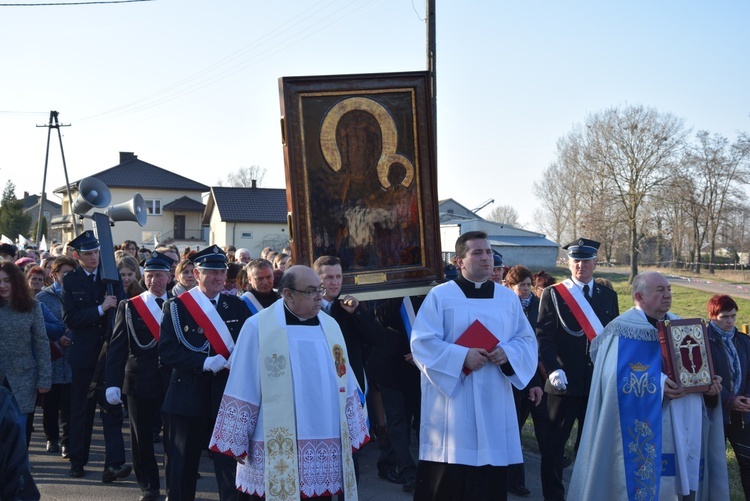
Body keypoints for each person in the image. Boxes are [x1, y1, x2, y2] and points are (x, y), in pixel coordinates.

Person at [209, 265, 369, 500]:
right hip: (275, 441)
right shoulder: (258, 327)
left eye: (320, 290)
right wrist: (238, 439)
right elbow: (244, 382)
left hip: (326, 436)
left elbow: (346, 379)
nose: (319, 296)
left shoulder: (330, 326)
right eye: (311, 291)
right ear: (288, 294)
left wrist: (354, 427)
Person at [568, 271, 728, 500]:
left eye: (669, 289)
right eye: (660, 290)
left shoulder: (683, 327)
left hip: (682, 423)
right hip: (650, 425)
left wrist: (709, 386)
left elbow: (695, 371)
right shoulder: (622, 330)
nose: (667, 295)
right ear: (639, 297)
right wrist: (660, 385)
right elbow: (612, 378)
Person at [410, 231, 538, 501]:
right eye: (477, 253)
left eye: (489, 252)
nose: (486, 258)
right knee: (449, 481)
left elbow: (526, 340)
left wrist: (507, 352)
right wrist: (461, 357)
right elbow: (422, 342)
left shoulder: (507, 299)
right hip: (453, 403)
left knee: (488, 483)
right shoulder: (440, 296)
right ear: (460, 261)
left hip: (494, 399)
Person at [158, 245, 251, 501]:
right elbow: (167, 351)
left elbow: (249, 345)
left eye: (222, 271)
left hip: (225, 396)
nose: (219, 277)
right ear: (197, 274)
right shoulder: (176, 307)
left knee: (228, 465)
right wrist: (202, 362)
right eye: (211, 272)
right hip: (186, 394)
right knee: (182, 465)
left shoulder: (237, 307)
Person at [536, 237, 619, 501]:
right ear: (568, 262)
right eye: (575, 260)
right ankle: (554, 497)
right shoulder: (554, 293)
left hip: (595, 383)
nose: (580, 265)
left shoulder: (608, 295)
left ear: (595, 263)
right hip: (562, 382)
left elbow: (611, 338)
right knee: (553, 447)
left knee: (590, 446)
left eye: (585, 260)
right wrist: (552, 369)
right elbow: (544, 336)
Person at [61, 230, 131, 482]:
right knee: (82, 410)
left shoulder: (109, 277)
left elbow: (123, 313)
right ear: (76, 255)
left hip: (110, 354)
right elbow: (70, 318)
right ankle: (78, 461)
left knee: (111, 408)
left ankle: (114, 464)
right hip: (84, 356)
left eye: (96, 252)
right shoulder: (71, 281)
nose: (94, 257)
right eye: (88, 253)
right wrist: (101, 309)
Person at [106, 251, 175, 501]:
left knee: (174, 439)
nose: (154, 280)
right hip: (139, 381)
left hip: (172, 382)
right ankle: (149, 486)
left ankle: (175, 487)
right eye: (149, 276)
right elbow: (117, 348)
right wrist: (112, 384)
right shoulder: (130, 306)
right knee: (141, 438)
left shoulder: (180, 305)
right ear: (142, 277)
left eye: (159, 275)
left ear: (169, 277)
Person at [371, 295, 424, 493]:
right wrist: (401, 290)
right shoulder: (390, 292)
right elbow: (380, 318)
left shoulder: (428, 293)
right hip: (390, 368)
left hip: (417, 369)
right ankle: (408, 473)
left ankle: (386, 464)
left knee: (408, 419)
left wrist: (423, 352)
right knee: (397, 420)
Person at [504, 265, 548, 498]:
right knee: (513, 429)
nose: (526, 289)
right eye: (521, 285)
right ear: (510, 287)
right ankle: (513, 480)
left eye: (529, 284)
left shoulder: (539, 306)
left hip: (535, 375)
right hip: (512, 375)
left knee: (542, 424)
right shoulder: (505, 307)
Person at [0, 261, 52, 443]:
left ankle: (18, 471)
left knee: (18, 432)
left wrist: (45, 378)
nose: (2, 285)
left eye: (7, 280)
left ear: (16, 281)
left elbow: (41, 343)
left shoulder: (32, 307)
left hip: (23, 378)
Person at [706, 294, 750, 498]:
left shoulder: (743, 340)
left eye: (733, 316)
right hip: (714, 412)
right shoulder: (703, 340)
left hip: (743, 413)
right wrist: (729, 399)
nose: (730, 321)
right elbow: (703, 374)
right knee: (714, 464)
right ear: (712, 316)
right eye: (724, 316)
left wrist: (747, 397)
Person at [36, 255, 76, 459]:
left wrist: (72, 336)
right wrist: (57, 337)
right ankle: (51, 437)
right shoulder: (42, 298)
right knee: (50, 403)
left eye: (71, 273)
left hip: (72, 358)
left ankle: (67, 442)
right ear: (54, 274)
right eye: (64, 273)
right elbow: (36, 327)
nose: (68, 277)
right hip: (51, 357)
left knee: (68, 404)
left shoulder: (79, 294)